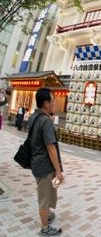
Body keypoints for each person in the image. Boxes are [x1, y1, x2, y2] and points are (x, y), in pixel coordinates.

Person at [29, 88, 64, 236]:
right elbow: (51, 148)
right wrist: (58, 171)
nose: (54, 103)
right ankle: (44, 228)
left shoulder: (33, 117)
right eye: (52, 100)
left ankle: (48, 216)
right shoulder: (46, 121)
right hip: (44, 165)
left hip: (36, 162)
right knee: (44, 197)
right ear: (46, 103)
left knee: (49, 191)